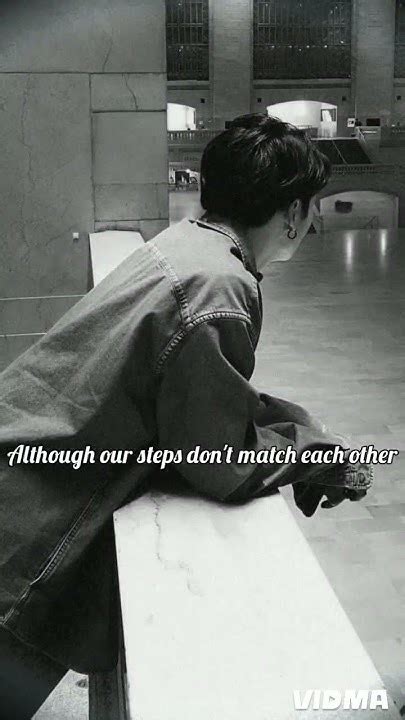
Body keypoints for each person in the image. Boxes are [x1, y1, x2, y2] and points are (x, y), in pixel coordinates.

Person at [0, 113, 372, 718]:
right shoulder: (219, 285)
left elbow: (199, 394)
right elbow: (215, 459)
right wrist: (312, 456)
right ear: (293, 212)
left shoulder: (186, 246)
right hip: (29, 539)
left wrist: (305, 438)